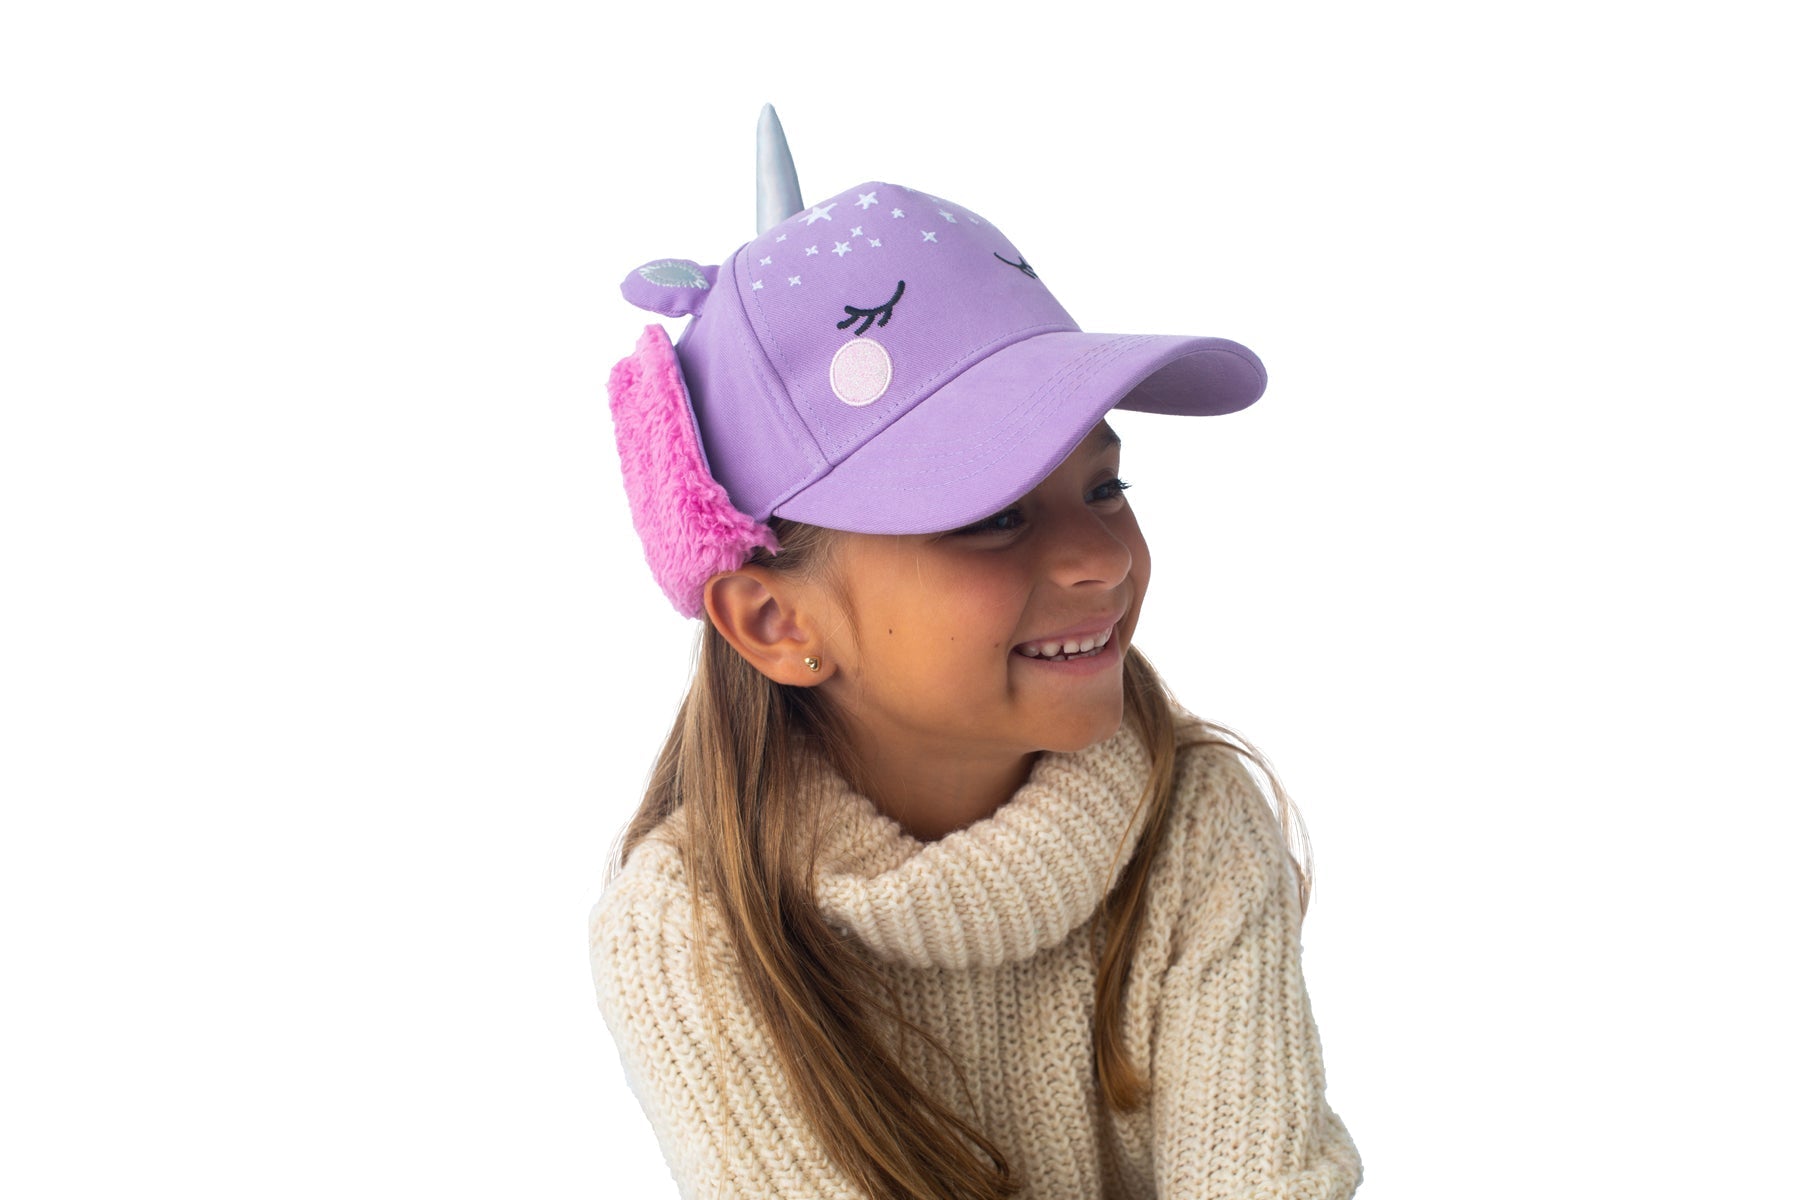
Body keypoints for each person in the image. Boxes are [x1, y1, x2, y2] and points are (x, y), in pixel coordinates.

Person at [590, 109, 1362, 1200]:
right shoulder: (691, 929)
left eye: (1106, 485)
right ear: (775, 623)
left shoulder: (1193, 823)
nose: (1102, 556)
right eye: (993, 514)